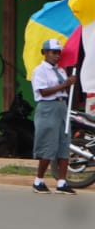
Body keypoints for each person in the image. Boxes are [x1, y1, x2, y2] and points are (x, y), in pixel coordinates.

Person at [30, 37, 79, 194]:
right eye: (53, 52)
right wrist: (64, 84)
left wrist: (70, 83)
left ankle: (62, 182)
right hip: (47, 107)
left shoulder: (61, 70)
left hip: (61, 107)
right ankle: (39, 180)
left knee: (64, 142)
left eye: (58, 52)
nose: (56, 55)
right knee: (48, 144)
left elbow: (64, 91)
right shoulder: (40, 70)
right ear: (44, 52)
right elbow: (43, 91)